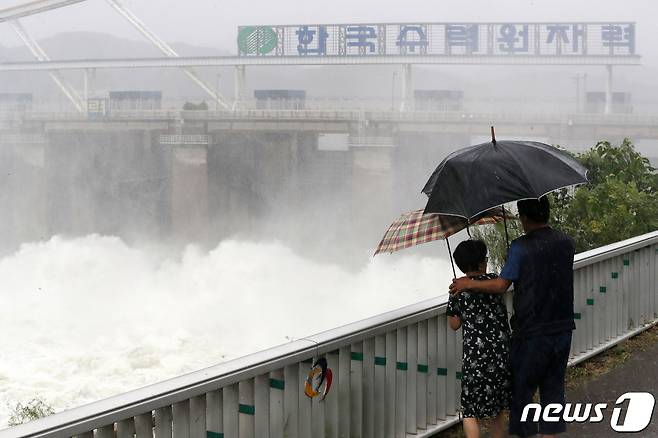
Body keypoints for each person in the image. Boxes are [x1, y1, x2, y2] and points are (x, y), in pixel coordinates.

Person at [449, 196, 576, 438]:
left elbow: (500, 285)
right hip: (562, 327)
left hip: (531, 331)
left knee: (522, 392)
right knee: (553, 390)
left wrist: (468, 283)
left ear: (524, 217)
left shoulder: (521, 247)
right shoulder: (566, 242)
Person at [446, 239, 511, 438]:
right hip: (502, 354)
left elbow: (454, 325)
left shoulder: (458, 290)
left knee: (470, 410)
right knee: (498, 407)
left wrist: (454, 298)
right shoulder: (495, 281)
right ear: (482, 262)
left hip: (475, 358)